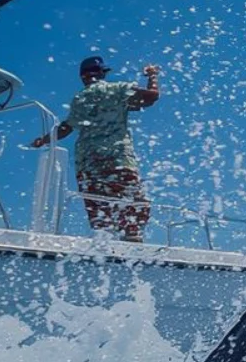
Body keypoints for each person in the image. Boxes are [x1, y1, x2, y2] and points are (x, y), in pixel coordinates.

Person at [32, 55, 162, 241]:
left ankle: (104, 253)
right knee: (135, 211)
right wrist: (152, 76)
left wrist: (42, 140)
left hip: (88, 166)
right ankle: (132, 248)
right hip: (117, 160)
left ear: (83, 77)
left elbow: (65, 128)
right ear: (102, 73)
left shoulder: (79, 99)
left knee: (101, 219)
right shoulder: (117, 89)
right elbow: (152, 96)